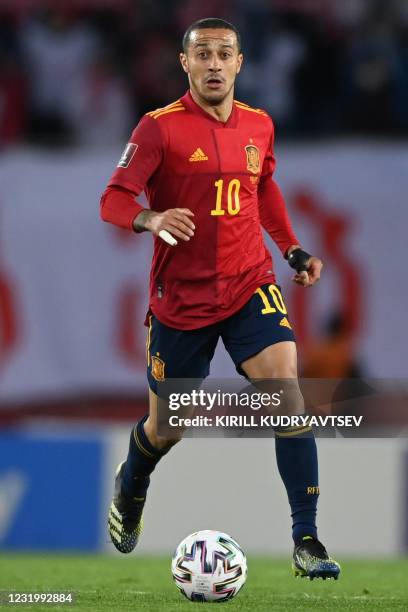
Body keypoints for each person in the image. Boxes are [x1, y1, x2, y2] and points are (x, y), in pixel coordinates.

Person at [100, 17, 340, 580]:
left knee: (287, 392)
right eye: (202, 53)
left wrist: (293, 249)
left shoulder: (259, 124)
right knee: (167, 427)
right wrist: (150, 216)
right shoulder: (158, 129)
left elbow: (264, 190)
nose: (213, 63)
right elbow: (112, 198)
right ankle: (132, 481)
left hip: (248, 283)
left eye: (223, 53)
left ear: (239, 63)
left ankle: (306, 538)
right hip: (181, 301)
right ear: (184, 64)